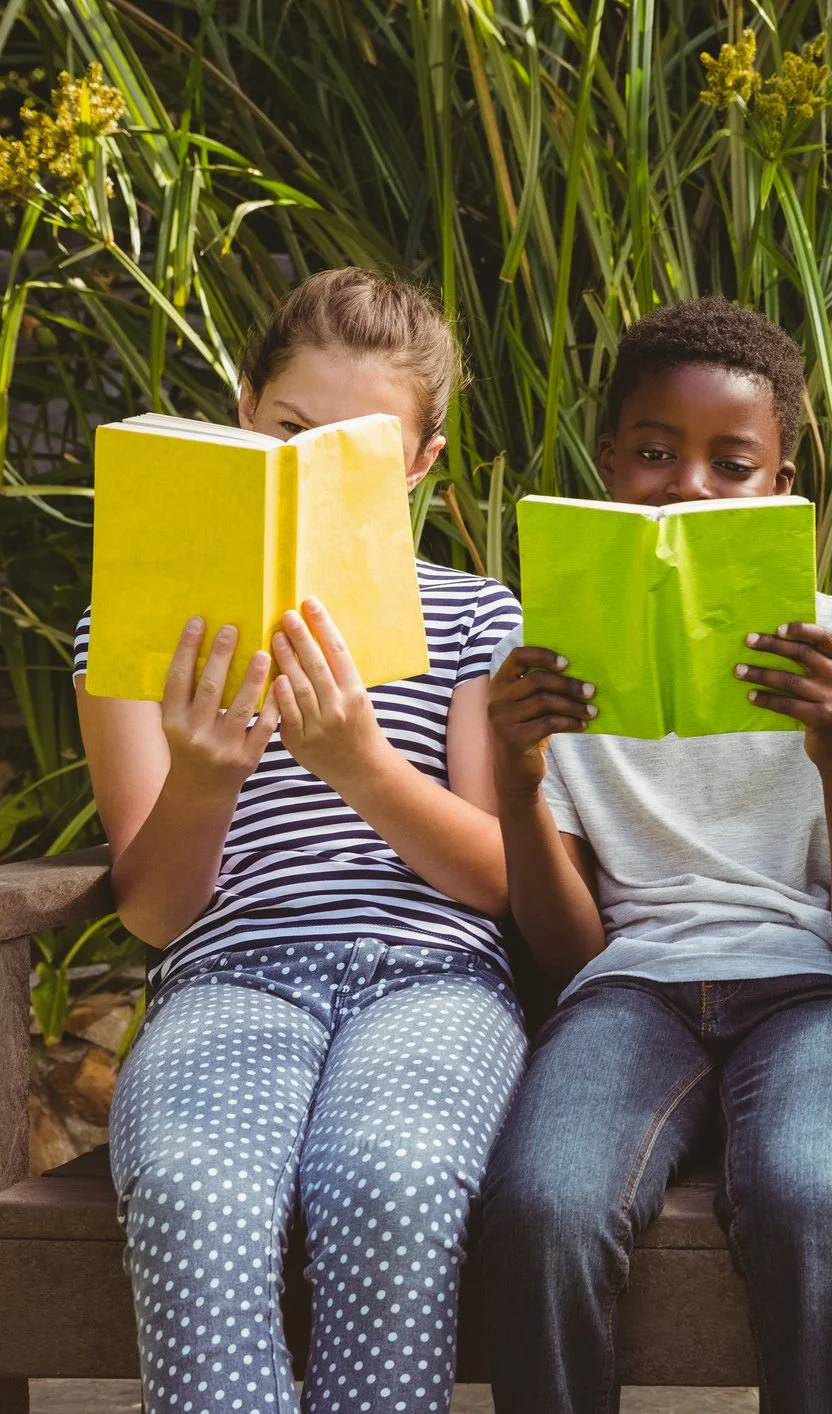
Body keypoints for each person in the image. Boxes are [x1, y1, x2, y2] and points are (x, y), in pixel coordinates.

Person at [77, 267, 523, 1414]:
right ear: (244, 412)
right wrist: (208, 776)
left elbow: (497, 879)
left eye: (362, 447)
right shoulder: (134, 623)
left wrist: (361, 766)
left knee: (392, 1176)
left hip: (433, 977)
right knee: (188, 1187)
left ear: (418, 464)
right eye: (291, 429)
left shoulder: (475, 615)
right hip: (228, 972)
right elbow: (155, 911)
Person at [475, 297, 832, 1414]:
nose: (690, 487)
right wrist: (520, 781)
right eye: (657, 454)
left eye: (734, 463)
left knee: (814, 1194)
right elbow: (573, 949)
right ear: (609, 459)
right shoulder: (544, 654)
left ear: (781, 482)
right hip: (630, 988)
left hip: (815, 990)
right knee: (547, 1202)